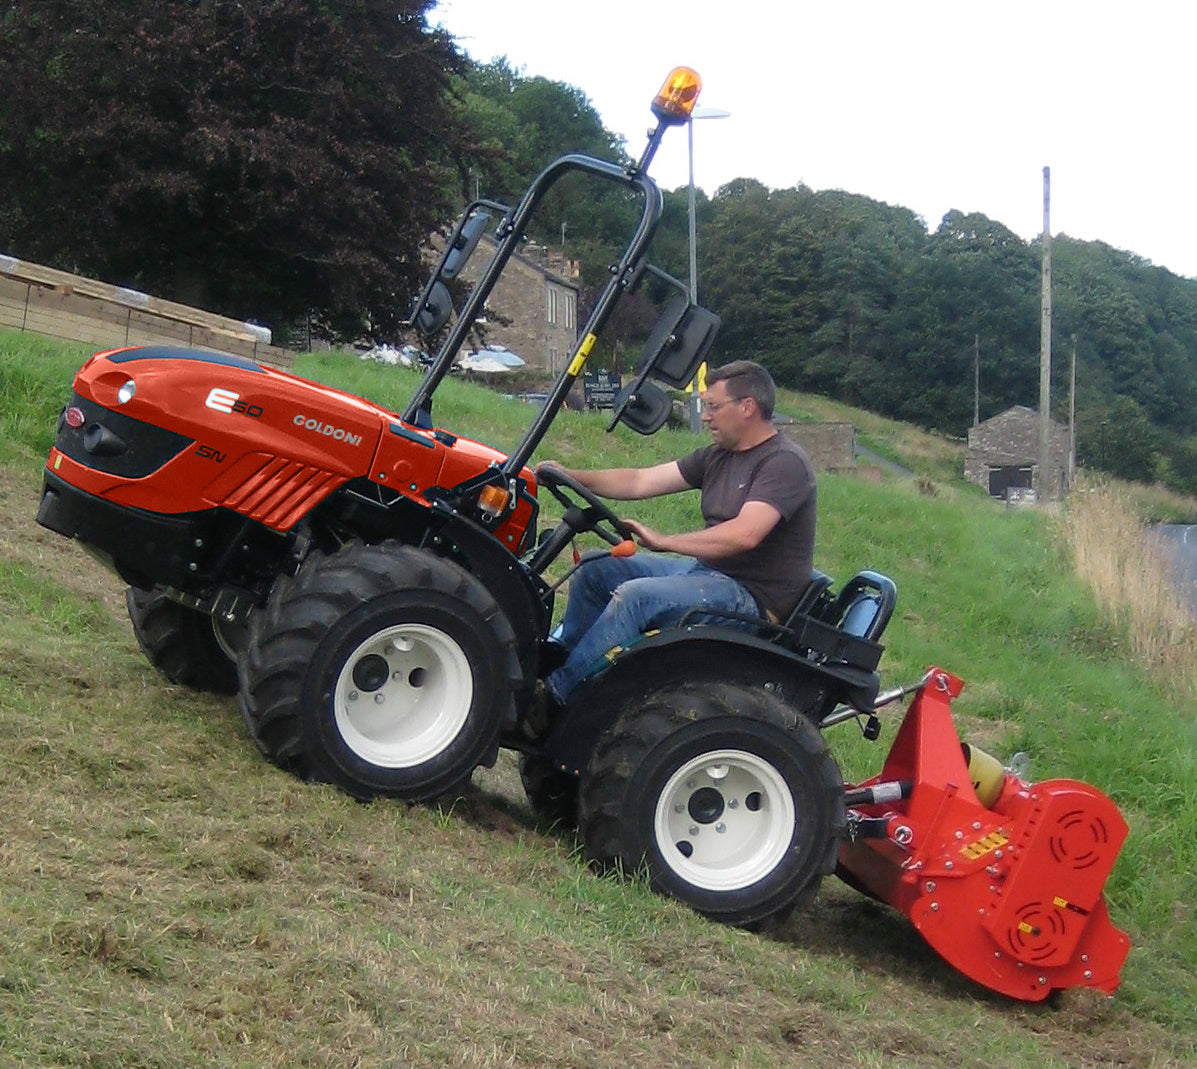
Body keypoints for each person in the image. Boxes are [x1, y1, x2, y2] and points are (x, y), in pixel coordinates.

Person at [537, 359, 816, 708]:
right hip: (707, 575)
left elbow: (745, 534)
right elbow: (640, 480)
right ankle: (560, 663)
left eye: (714, 406)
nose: (707, 416)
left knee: (636, 597)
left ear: (747, 407)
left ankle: (554, 698)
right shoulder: (718, 455)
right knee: (595, 569)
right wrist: (571, 475)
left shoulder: (783, 463)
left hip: (751, 598)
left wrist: (664, 541)